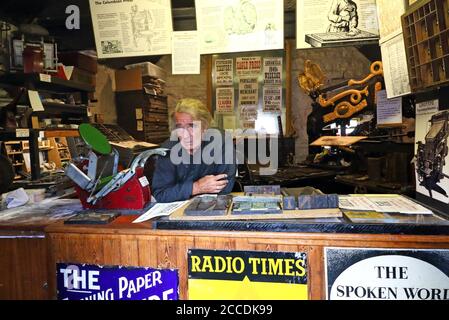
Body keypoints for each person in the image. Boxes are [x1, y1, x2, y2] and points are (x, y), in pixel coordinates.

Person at [151, 98, 236, 203]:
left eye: (192, 126)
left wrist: (179, 191)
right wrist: (196, 188)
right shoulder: (168, 150)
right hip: (176, 211)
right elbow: (160, 194)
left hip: (213, 208)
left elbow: (224, 188)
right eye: (180, 127)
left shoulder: (221, 142)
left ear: (205, 128)